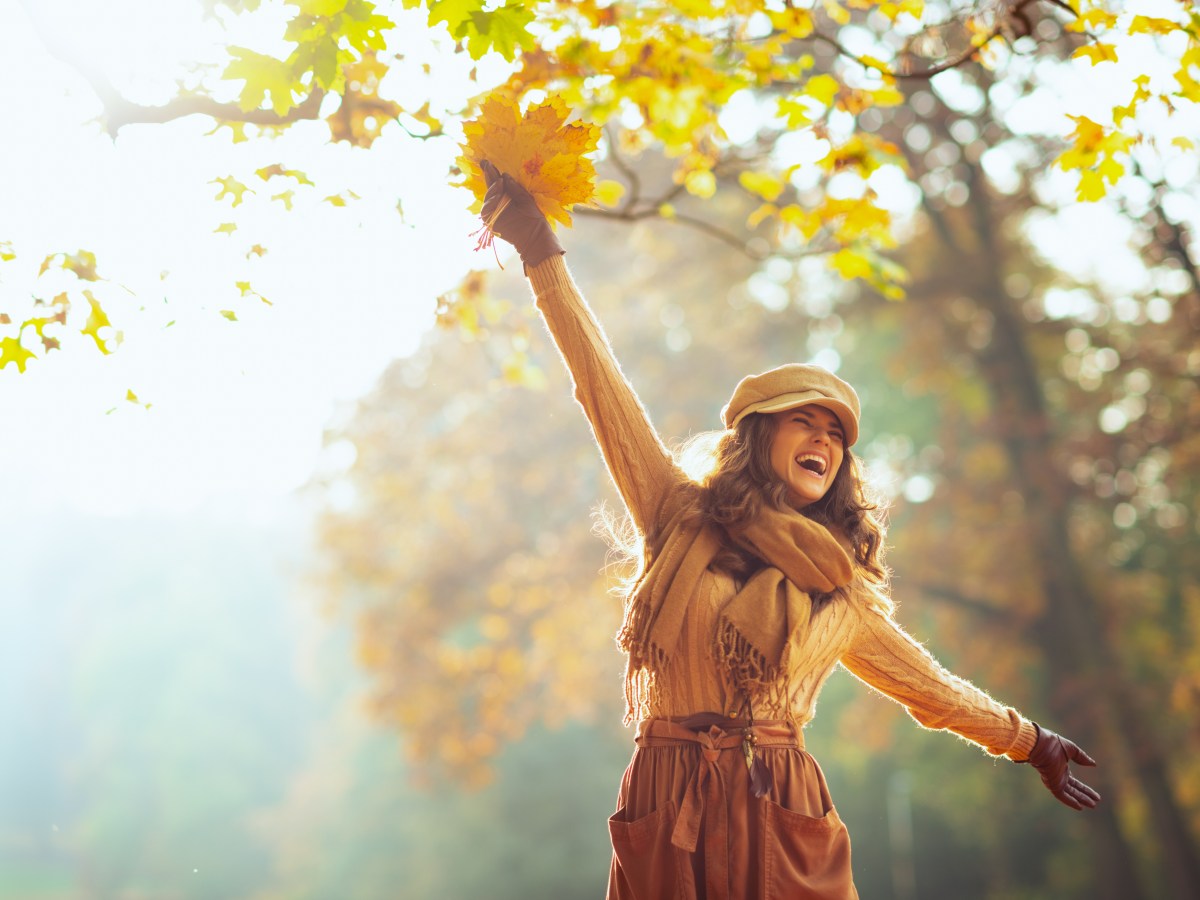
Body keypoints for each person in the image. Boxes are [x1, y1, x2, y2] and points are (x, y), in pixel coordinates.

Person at [477, 161, 1101, 900]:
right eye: (804, 420)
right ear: (759, 436)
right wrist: (539, 254)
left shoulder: (842, 589)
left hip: (784, 801)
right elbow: (598, 384)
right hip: (669, 791)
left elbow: (929, 688)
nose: (824, 440)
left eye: (836, 433)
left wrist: (1031, 742)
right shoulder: (677, 512)